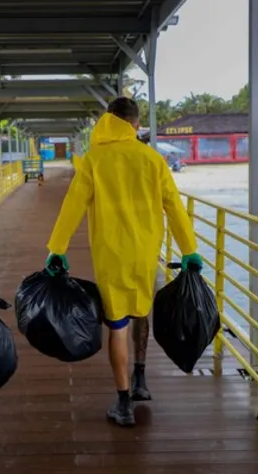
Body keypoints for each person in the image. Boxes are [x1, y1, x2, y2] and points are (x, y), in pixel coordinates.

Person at [44, 97, 201, 427]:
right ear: (135, 125)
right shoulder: (152, 159)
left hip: (110, 253)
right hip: (145, 252)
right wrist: (189, 250)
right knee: (141, 309)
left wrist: (57, 249)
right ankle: (141, 378)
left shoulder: (93, 160)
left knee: (116, 323)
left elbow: (72, 207)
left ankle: (122, 401)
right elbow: (173, 205)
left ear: (107, 122)